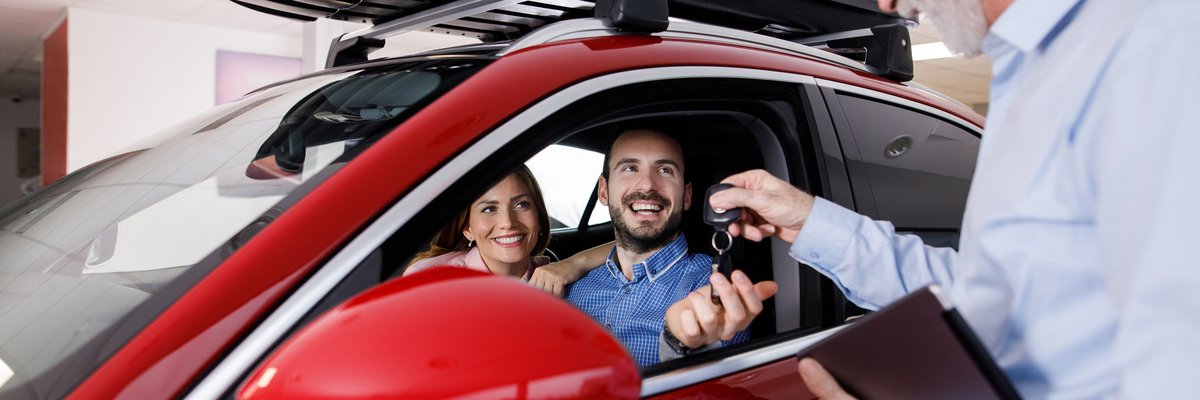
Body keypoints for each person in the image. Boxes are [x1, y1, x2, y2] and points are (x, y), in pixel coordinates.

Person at [707, 0, 1200, 398]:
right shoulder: (1032, 73)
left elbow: (1176, 365)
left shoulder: (1158, 50)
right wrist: (807, 222)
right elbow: (980, 299)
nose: (888, 3)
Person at [564, 128, 776, 367]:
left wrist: (680, 344)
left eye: (665, 170)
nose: (646, 185)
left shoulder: (712, 288)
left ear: (686, 196)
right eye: (630, 168)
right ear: (604, 190)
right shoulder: (572, 287)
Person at [405, 166, 553, 279]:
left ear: (539, 216)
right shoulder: (427, 279)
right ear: (467, 228)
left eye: (521, 205)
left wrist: (576, 262)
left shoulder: (559, 278)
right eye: (489, 209)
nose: (508, 222)